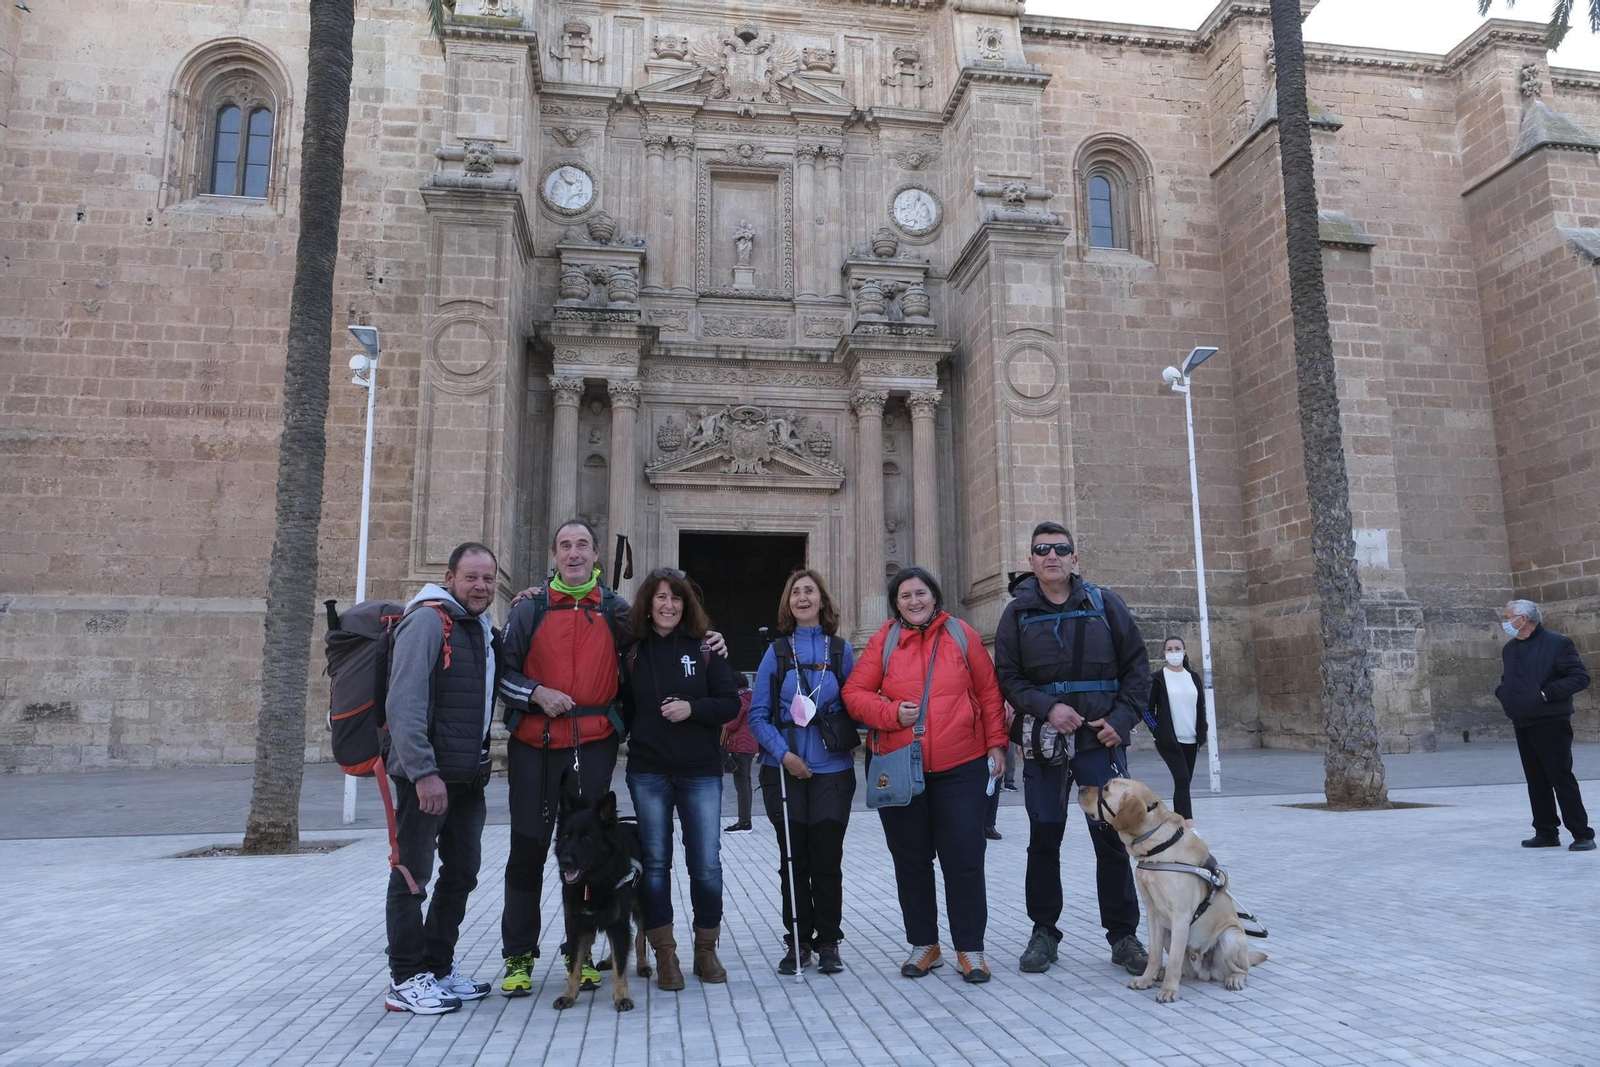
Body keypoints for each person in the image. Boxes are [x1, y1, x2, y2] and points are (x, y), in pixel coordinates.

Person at [994, 521, 1152, 977]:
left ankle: (1123, 936)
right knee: (1044, 838)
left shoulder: (1106, 605)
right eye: (1042, 550)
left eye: (1061, 549)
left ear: (1074, 558)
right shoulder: (1016, 615)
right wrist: (1048, 708)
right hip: (1045, 743)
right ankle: (1044, 932)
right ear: (1031, 561)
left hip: (1098, 743)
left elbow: (1137, 669)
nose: (1052, 556)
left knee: (1111, 839)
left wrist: (1121, 722)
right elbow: (1008, 677)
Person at [843, 565, 1007, 984]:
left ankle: (970, 948)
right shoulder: (886, 640)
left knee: (964, 860)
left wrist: (996, 744)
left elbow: (988, 692)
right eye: (905, 596)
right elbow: (854, 695)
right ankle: (924, 944)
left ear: (934, 595)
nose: (914, 601)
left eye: (920, 594)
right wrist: (891, 713)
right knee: (911, 861)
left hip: (962, 766)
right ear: (895, 603)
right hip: (901, 767)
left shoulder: (961, 634)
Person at [494, 520, 628, 996]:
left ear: (596, 556)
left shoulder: (615, 610)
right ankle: (518, 956)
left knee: (588, 858)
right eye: (565, 546)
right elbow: (502, 676)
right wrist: (536, 693)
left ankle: (581, 953)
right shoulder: (529, 609)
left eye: (583, 545)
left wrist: (709, 642)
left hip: (592, 744)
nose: (574, 554)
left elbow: (658, 642)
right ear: (553, 556)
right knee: (528, 849)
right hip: (535, 745)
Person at [381, 542, 499, 1014]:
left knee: (463, 872)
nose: (482, 586)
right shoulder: (429, 621)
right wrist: (424, 773)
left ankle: (437, 967)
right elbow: (404, 703)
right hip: (426, 780)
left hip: (468, 779)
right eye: (472, 577)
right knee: (412, 875)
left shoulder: (479, 628)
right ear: (449, 577)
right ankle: (406, 979)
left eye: (489, 579)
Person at [624, 568, 743, 988]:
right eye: (660, 597)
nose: (668, 605)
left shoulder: (707, 648)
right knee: (655, 866)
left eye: (676, 598)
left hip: (699, 772)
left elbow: (730, 704)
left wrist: (693, 710)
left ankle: (706, 950)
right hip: (648, 770)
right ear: (647, 603)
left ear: (686, 604)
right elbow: (621, 706)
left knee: (706, 864)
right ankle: (665, 954)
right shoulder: (633, 651)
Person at [748, 569, 858, 975]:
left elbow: (856, 705)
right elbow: (757, 716)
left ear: (823, 601)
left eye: (810, 591)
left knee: (827, 858)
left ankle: (828, 942)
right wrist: (784, 754)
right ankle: (797, 941)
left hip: (833, 768)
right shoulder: (776, 653)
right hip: (784, 768)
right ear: (788, 603)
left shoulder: (841, 651)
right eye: (795, 592)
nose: (803, 597)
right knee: (793, 859)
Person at [1496, 599, 1594, 851]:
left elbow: (1580, 677)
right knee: (1535, 779)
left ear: (1524, 618)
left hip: (1551, 721)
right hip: (1523, 720)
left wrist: (1545, 695)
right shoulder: (1510, 648)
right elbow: (1509, 678)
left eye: (1507, 617)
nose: (1505, 622)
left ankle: (1582, 834)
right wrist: (1504, 693)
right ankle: (1546, 831)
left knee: (1560, 777)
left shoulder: (1557, 643)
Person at [1147, 635, 1207, 828]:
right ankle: (1189, 826)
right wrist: (1157, 730)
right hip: (1169, 739)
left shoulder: (1193, 678)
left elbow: (1200, 706)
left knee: (1184, 783)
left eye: (1177, 648)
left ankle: (1178, 825)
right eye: (1170, 649)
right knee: (1181, 778)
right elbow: (1146, 710)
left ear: (1184, 651)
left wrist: (1202, 729)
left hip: (1191, 738)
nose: (1174, 652)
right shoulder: (1158, 679)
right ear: (1165, 653)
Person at [722, 671, 757, 834]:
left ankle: (744, 822)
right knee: (746, 783)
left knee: (742, 784)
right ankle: (745, 820)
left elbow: (731, 725)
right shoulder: (752, 697)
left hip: (739, 746)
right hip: (750, 746)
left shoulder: (739, 700)